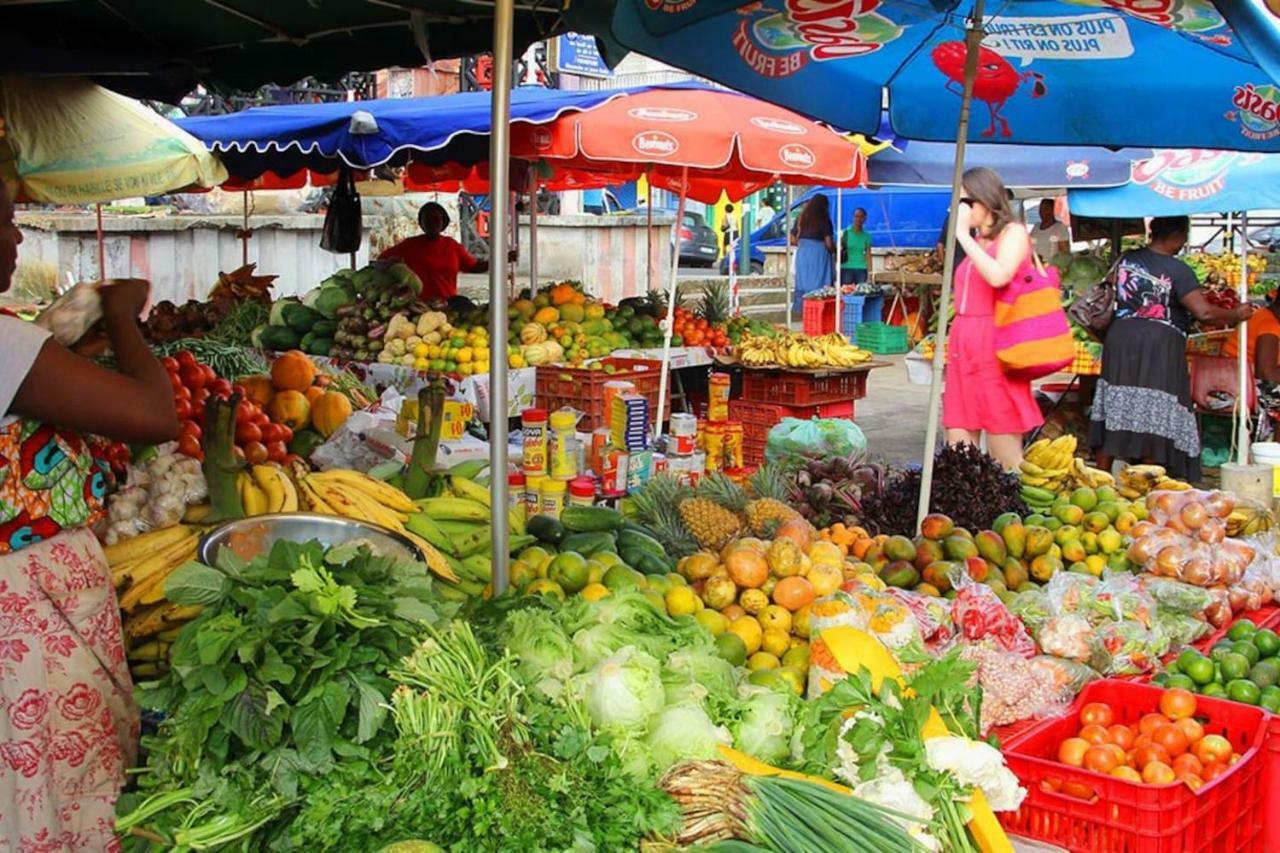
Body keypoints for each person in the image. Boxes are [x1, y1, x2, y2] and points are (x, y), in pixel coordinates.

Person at [0, 180, 179, 848]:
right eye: (5, 220)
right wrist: (124, 315)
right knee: (66, 787)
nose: (18, 235)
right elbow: (154, 415)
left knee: (24, 793)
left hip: (24, 608)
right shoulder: (3, 344)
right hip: (28, 612)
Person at [1091, 216, 1254, 481]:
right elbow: (1204, 312)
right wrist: (1237, 313)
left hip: (1120, 339)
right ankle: (1148, 476)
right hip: (1157, 345)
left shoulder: (1125, 259)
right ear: (1176, 235)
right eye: (1183, 237)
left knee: (1116, 402)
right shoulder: (1178, 270)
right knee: (1156, 404)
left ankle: (1101, 474)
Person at [942, 167, 1042, 470]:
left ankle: (1012, 514)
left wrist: (962, 236)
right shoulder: (977, 241)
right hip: (963, 347)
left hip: (996, 346)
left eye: (964, 202)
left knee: (1005, 456)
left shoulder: (1014, 233)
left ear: (984, 200)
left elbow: (999, 275)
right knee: (958, 450)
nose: (958, 210)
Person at [380, 201, 510, 301]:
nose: (433, 224)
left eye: (436, 220)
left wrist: (503, 259)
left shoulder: (452, 246)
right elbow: (382, 259)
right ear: (421, 223)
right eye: (428, 220)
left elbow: (475, 267)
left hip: (448, 305)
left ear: (443, 223)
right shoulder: (409, 245)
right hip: (418, 307)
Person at [1222, 289, 1280, 439]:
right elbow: (1267, 373)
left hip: (1237, 379)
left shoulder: (1263, 316)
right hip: (1240, 385)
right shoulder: (1269, 324)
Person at [789, 194, 835, 314]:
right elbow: (829, 243)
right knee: (818, 283)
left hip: (803, 253)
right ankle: (816, 311)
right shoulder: (824, 220)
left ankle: (800, 310)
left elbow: (792, 238)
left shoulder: (801, 218)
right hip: (818, 255)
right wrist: (836, 251)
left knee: (803, 282)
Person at [840, 207, 873, 287]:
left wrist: (870, 272)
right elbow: (839, 251)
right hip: (846, 268)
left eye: (861, 217)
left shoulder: (867, 235)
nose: (858, 219)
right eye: (856, 216)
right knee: (846, 293)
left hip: (861, 268)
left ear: (865, 219)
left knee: (861, 293)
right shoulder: (845, 233)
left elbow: (868, 255)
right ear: (853, 217)